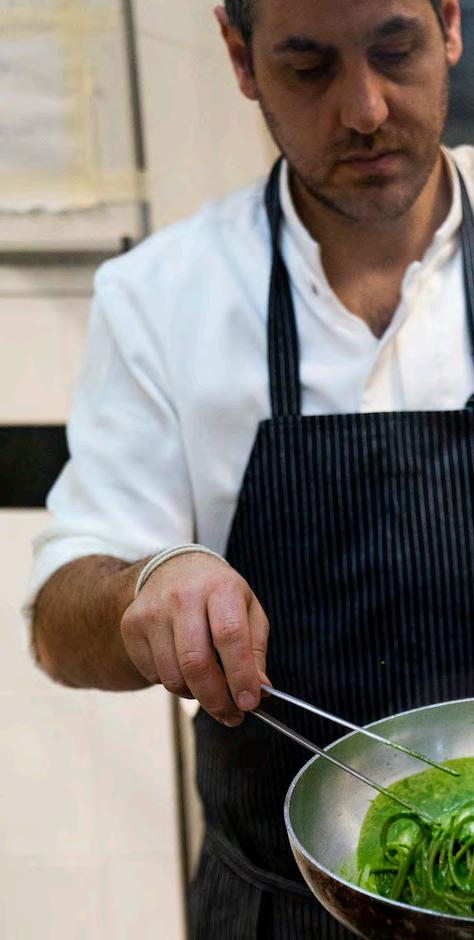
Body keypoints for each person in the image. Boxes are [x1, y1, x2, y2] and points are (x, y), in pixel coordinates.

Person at [26, 0, 474, 936]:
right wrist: (149, 581)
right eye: (310, 67)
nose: (364, 108)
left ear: (450, 25)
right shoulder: (162, 296)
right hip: (274, 903)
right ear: (240, 57)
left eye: (395, 48)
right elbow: (60, 626)